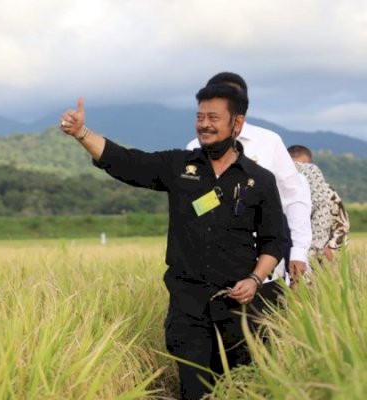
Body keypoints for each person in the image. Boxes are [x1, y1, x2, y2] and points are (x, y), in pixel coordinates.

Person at [59, 84, 286, 400]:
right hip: (187, 307)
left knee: (239, 390)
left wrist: (254, 278)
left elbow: (275, 240)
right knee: (193, 390)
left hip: (239, 310)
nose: (204, 124)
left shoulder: (258, 179)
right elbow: (127, 162)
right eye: (199, 116)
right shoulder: (180, 166)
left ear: (237, 123)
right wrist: (82, 133)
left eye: (213, 117)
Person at [186, 73, 312, 286]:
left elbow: (294, 197)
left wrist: (299, 250)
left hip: (266, 260)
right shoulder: (194, 148)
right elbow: (193, 207)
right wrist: (222, 198)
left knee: (264, 315)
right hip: (210, 262)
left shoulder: (269, 142)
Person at [288, 145, 350, 262]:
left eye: (306, 165)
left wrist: (331, 248)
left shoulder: (327, 192)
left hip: (318, 255)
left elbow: (342, 226)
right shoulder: (280, 188)